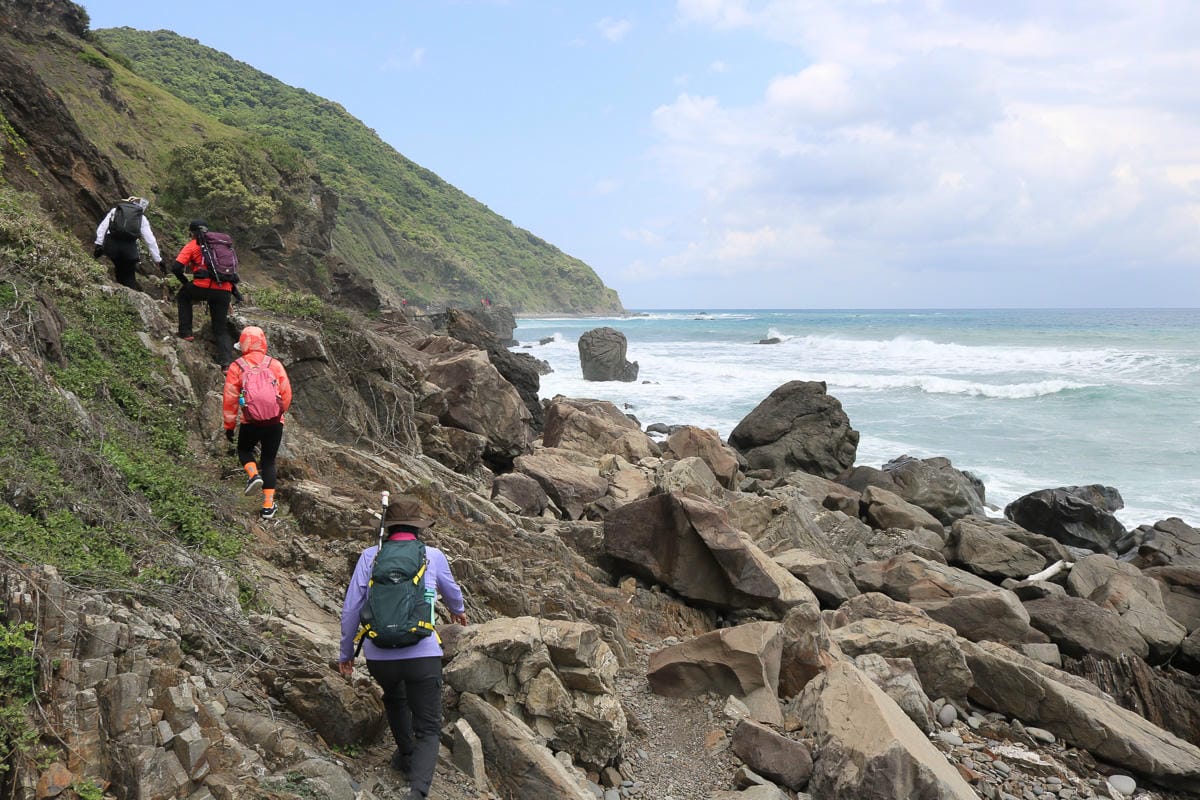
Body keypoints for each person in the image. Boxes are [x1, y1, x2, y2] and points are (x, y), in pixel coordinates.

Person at [338, 496, 468, 800]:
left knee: (395, 699)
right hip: (422, 654)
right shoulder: (432, 556)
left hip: (379, 655)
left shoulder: (371, 555)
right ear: (417, 529)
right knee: (428, 727)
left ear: (388, 527)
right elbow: (452, 592)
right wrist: (457, 610)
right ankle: (418, 791)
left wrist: (345, 656)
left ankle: (407, 757)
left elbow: (350, 611)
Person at [222, 326, 292, 520]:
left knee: (244, 451)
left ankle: (253, 475)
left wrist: (229, 426)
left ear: (243, 343)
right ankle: (268, 507)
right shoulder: (274, 364)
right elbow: (286, 394)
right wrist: (278, 414)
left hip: (250, 422)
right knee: (269, 461)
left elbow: (230, 399)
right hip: (275, 422)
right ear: (263, 342)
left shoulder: (238, 366)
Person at [168, 219, 242, 369]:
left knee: (183, 296)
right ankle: (226, 364)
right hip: (224, 290)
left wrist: (185, 282)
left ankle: (186, 332)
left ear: (192, 233)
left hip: (202, 286)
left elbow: (176, 267)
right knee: (220, 328)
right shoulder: (223, 247)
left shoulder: (193, 245)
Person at [93, 196, 164, 290]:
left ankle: (113, 292)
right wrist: (157, 259)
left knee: (115, 270)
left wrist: (98, 244)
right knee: (129, 276)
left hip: (112, 247)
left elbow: (102, 228)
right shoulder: (141, 217)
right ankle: (129, 297)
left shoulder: (115, 211)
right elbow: (150, 240)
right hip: (129, 249)